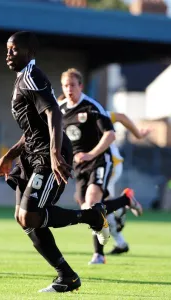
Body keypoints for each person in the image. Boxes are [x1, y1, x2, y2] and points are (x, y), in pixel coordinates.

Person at [0, 31, 109, 293]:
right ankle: (66, 276)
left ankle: (92, 216)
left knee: (30, 214)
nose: (8, 54)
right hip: (32, 155)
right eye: (7, 49)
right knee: (23, 218)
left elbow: (53, 112)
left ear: (30, 52)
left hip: (47, 155)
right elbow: (34, 127)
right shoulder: (22, 78)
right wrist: (8, 156)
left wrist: (55, 153)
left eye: (14, 49)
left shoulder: (32, 76)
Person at [59, 68, 143, 265]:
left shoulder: (91, 106)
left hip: (99, 160)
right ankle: (125, 200)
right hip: (78, 166)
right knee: (87, 208)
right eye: (66, 85)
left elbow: (111, 134)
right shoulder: (59, 109)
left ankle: (99, 254)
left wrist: (90, 154)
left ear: (81, 86)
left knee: (93, 202)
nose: (69, 89)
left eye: (73, 85)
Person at [105, 111, 150, 256]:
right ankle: (121, 208)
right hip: (95, 166)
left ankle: (124, 202)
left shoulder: (89, 109)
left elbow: (121, 117)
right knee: (98, 206)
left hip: (107, 163)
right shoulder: (66, 112)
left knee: (95, 205)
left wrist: (138, 134)